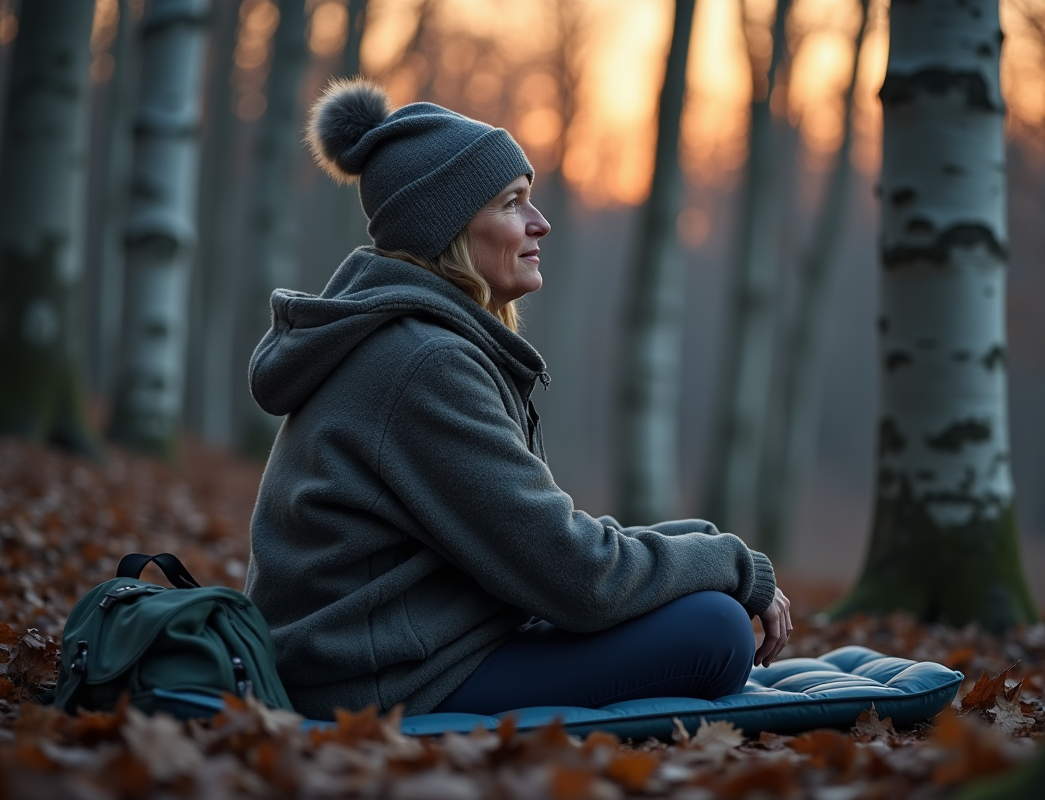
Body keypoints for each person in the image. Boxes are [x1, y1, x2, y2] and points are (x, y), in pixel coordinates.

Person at [244, 78, 792, 721]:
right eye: (512, 203)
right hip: (377, 682)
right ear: (448, 230)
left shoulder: (417, 342)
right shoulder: (424, 364)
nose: (540, 223)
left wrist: (705, 543)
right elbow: (576, 577)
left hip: (408, 649)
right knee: (714, 632)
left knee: (703, 600)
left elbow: (541, 544)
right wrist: (728, 565)